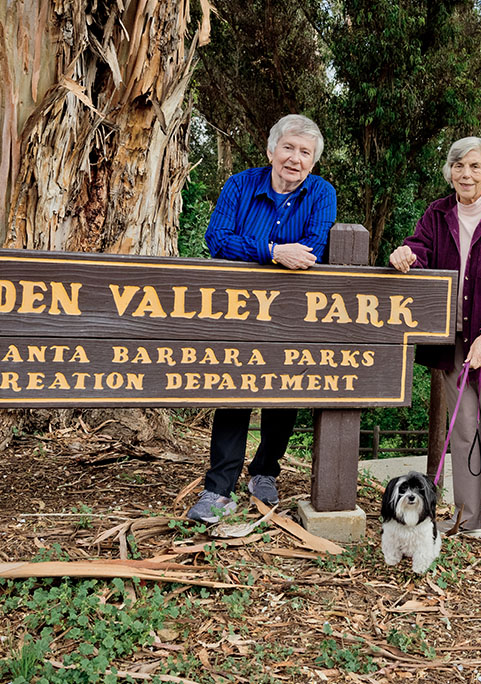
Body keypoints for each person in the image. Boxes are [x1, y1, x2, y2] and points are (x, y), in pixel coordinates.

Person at [187, 114, 337, 523]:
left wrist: (261, 250)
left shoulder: (322, 193)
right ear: (272, 150)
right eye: (288, 148)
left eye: (305, 152)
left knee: (283, 393)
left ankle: (265, 471)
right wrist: (272, 251)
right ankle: (218, 488)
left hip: (291, 312)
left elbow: (311, 249)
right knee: (233, 392)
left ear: (312, 161)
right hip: (237, 309)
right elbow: (217, 239)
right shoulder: (240, 185)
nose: (295, 158)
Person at [388, 137, 481, 559]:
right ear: (449, 171)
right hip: (453, 346)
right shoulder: (438, 213)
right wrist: (406, 254)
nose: (465, 174)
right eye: (458, 166)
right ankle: (469, 519)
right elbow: (421, 248)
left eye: (473, 166)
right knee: (464, 433)